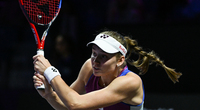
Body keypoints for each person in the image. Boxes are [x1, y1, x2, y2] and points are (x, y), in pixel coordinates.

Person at [33, 30, 182, 110]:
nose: (96, 61)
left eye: (104, 57)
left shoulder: (130, 82)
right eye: (94, 54)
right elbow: (68, 106)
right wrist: (49, 95)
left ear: (120, 60)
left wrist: (49, 70)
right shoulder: (89, 67)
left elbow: (75, 103)